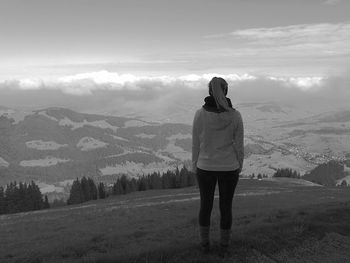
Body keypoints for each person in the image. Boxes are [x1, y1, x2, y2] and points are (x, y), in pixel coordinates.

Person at [192, 76, 244, 253]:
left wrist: (195, 165)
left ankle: (205, 245)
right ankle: (224, 246)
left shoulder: (200, 114)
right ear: (226, 91)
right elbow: (239, 145)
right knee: (226, 207)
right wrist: (239, 165)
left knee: (205, 206)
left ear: (209, 92)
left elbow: (195, 143)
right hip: (229, 167)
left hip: (205, 167)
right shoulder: (235, 115)